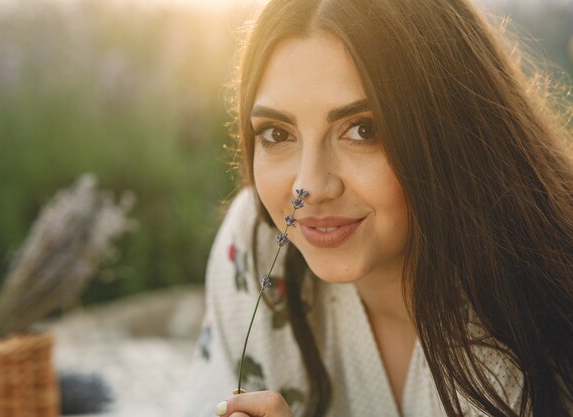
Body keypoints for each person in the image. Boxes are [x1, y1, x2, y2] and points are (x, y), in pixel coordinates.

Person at [182, 0, 573, 416]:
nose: (310, 186)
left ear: (453, 129)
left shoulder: (543, 304)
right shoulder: (257, 244)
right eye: (278, 133)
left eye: (363, 130)